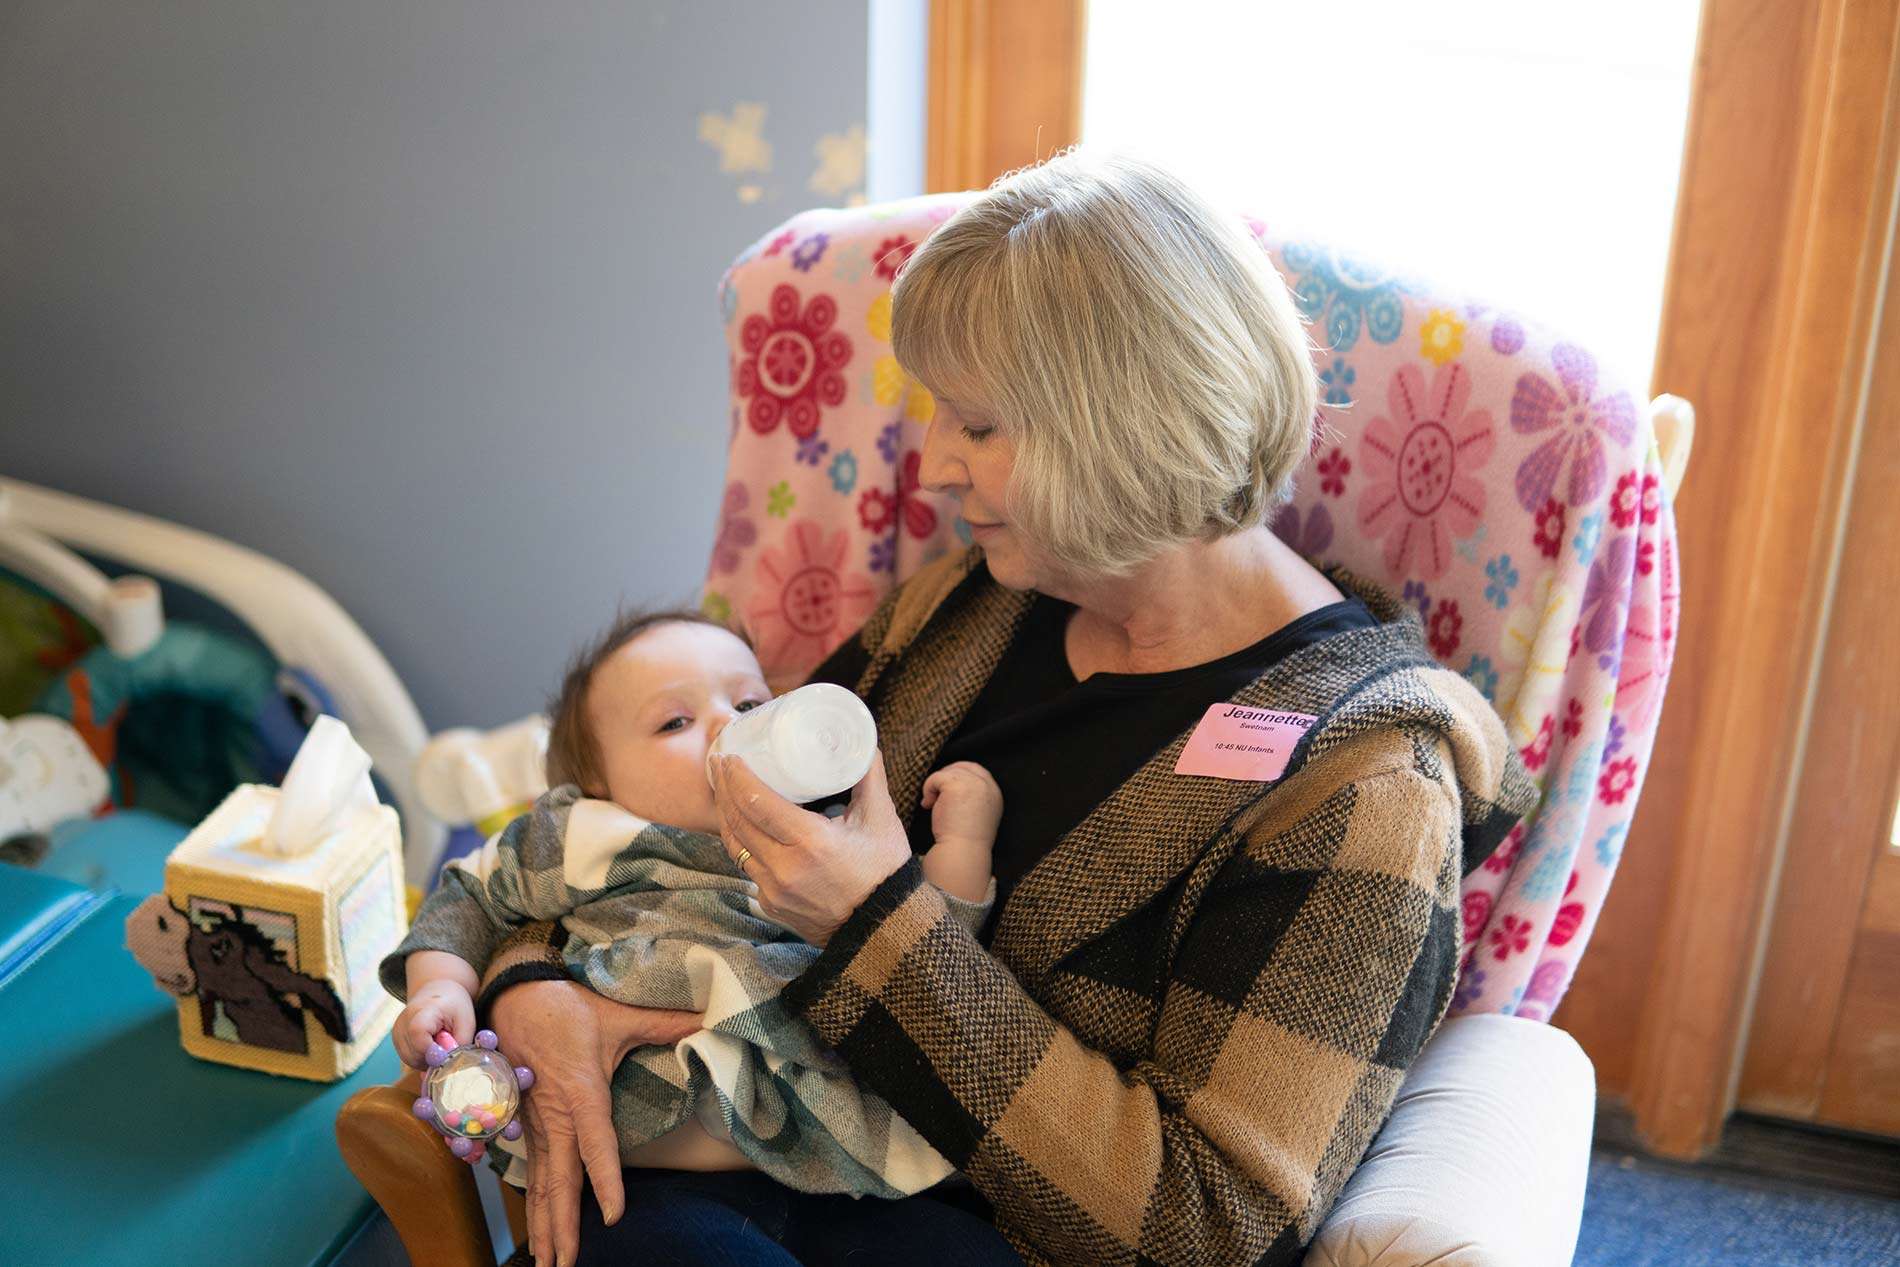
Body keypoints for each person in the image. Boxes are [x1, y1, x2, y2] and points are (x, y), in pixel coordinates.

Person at [486, 149, 1537, 1267]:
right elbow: (678, 833)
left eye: (980, 428)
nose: (933, 466)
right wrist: (531, 982)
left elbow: (1208, 1229)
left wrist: (876, 927)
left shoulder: (1362, 791)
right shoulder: (972, 607)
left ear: (1132, 427)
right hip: (759, 1174)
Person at [380, 608, 1001, 1197]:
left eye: (750, 703)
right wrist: (440, 987)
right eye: (674, 722)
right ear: (598, 783)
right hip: (632, 1101)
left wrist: (963, 844)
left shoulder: (829, 835)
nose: (728, 725)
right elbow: (468, 891)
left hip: (809, 1103)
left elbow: (926, 942)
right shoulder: (585, 834)